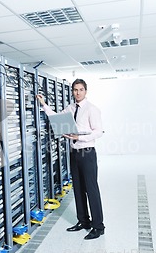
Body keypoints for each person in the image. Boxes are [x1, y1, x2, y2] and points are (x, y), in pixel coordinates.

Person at [36, 78, 105, 240]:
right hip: (74, 154)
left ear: (85, 91)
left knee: (91, 190)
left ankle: (98, 226)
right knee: (78, 189)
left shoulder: (92, 109)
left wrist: (79, 137)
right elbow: (56, 118)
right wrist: (43, 104)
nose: (78, 92)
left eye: (81, 89)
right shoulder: (70, 108)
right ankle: (83, 221)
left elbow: (99, 131)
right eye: (75, 90)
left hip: (87, 153)